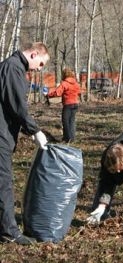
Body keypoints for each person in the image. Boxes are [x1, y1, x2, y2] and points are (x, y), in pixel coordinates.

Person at [0, 42, 49, 245]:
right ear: (34, 54)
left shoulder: (12, 66)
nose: (39, 69)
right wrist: (34, 130)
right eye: (41, 64)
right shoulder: (13, 67)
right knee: (4, 183)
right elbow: (17, 105)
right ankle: (9, 232)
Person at [45, 67, 81, 143]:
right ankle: (72, 138)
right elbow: (78, 92)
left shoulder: (64, 83)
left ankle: (67, 138)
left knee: (65, 121)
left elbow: (57, 92)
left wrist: (48, 95)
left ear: (64, 74)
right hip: (75, 104)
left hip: (68, 104)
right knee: (72, 121)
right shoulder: (76, 83)